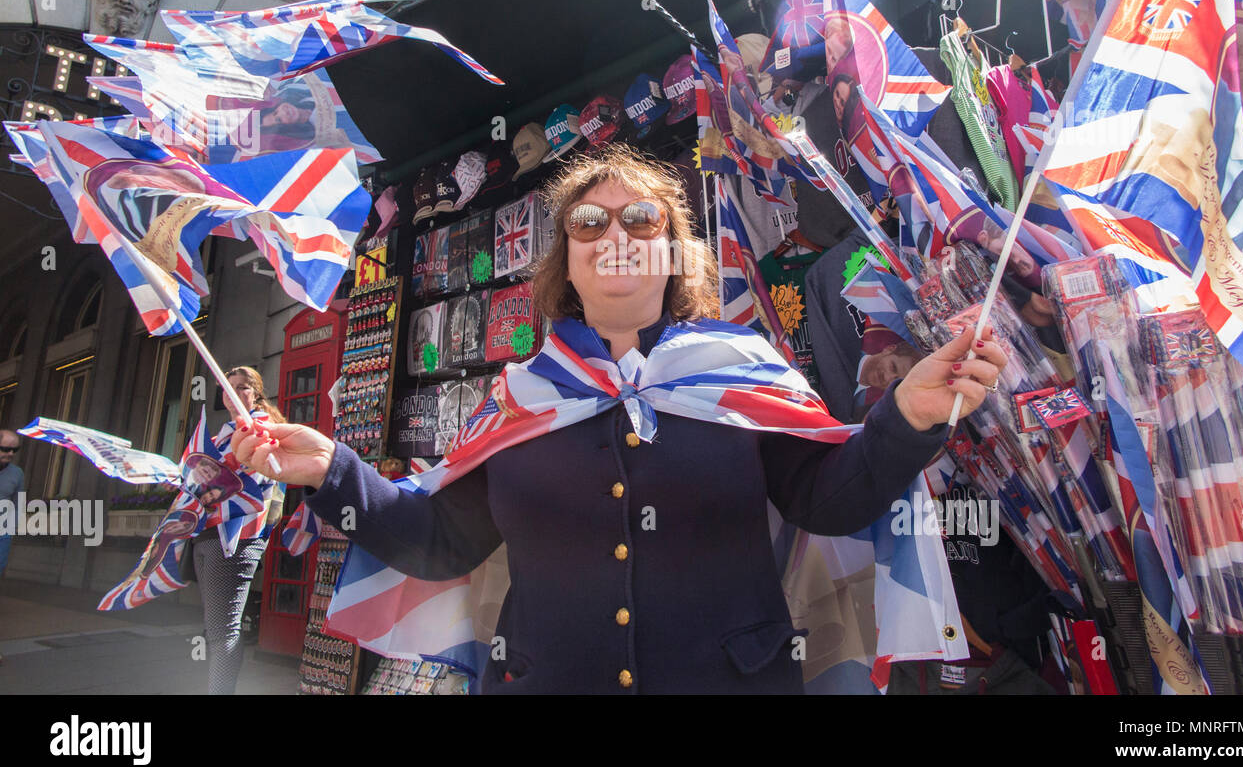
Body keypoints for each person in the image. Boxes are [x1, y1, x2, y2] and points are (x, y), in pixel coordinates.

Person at [231, 145, 1008, 694]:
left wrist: (908, 415)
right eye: (588, 224)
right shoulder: (521, 395)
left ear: (673, 252)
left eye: (641, 219)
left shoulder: (743, 369)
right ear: (564, 262)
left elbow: (828, 500)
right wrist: (329, 469)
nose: (615, 236)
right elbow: (441, 541)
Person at [192, 367, 286, 695]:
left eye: (242, 388)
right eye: (227, 388)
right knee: (214, 629)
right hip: (207, 534)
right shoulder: (223, 431)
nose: (233, 394)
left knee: (224, 632)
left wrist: (209, 476)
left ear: (255, 393)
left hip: (236, 537)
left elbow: (254, 481)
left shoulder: (262, 429)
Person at [0, 429, 24, 578]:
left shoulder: (17, 473)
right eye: (5, 449)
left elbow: (18, 503)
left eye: (15, 450)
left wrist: (11, 528)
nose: (11, 454)